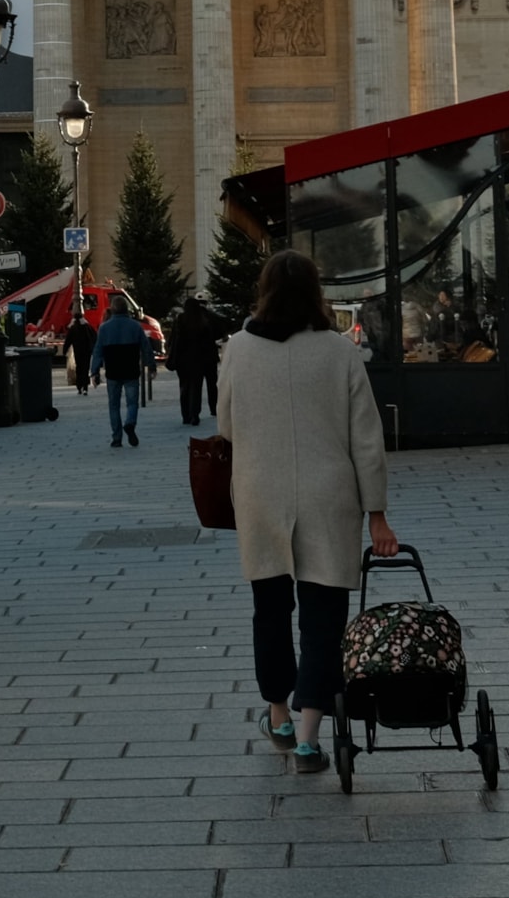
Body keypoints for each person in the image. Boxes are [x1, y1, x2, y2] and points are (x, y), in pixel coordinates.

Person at [217, 250, 397, 778]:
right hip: (329, 497)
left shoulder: (239, 349)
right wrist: (378, 514)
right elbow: (367, 439)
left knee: (269, 611)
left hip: (260, 495)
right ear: (315, 292)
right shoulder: (339, 352)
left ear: (265, 290)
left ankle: (277, 715)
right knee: (323, 619)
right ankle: (308, 738)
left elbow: (226, 425)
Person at [94, 296, 153, 447]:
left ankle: (117, 438)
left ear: (112, 309)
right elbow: (146, 348)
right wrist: (150, 365)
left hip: (113, 371)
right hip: (131, 370)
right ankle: (130, 423)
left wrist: (94, 371)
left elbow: (98, 351)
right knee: (132, 402)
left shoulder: (104, 328)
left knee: (113, 405)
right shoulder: (135, 326)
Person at [169, 295, 224, 426]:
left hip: (183, 359)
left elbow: (174, 339)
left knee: (184, 387)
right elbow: (212, 338)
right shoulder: (203, 320)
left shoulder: (180, 319)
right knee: (196, 387)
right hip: (200, 359)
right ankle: (195, 414)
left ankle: (185, 415)